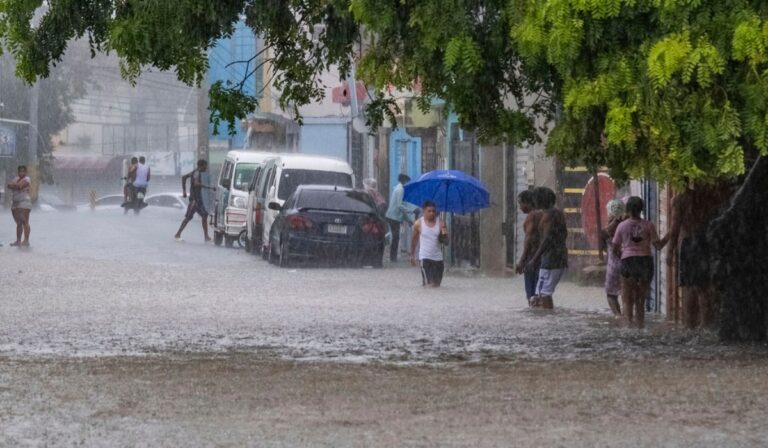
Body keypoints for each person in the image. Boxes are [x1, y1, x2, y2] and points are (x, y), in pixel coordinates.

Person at [666, 183, 732, 329]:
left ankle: (690, 325)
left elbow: (675, 228)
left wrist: (670, 251)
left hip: (690, 244)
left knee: (690, 286)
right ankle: (705, 323)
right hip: (706, 242)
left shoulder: (680, 199)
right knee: (703, 286)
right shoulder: (710, 198)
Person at [612, 196, 666, 328]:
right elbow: (658, 246)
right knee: (640, 300)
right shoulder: (648, 225)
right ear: (641, 209)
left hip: (628, 262)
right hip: (645, 262)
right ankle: (640, 327)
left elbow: (614, 248)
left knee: (627, 300)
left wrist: (623, 256)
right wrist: (671, 234)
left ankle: (629, 327)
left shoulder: (621, 226)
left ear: (628, 209)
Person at [526, 187, 568, 309]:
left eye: (535, 199)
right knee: (543, 293)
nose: (533, 201)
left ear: (540, 200)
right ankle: (549, 321)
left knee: (543, 293)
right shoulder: (557, 213)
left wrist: (534, 259)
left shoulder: (550, 216)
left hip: (551, 260)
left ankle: (548, 321)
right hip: (558, 257)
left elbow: (546, 240)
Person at [410, 200, 448, 287]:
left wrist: (443, 232)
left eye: (433, 211)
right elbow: (414, 240)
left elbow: (446, 242)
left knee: (437, 286)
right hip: (425, 258)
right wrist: (412, 255)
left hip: (438, 259)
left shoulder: (441, 223)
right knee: (429, 285)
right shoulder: (418, 224)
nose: (432, 213)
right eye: (429, 211)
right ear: (424, 211)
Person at [515, 190, 542, 304]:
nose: (520, 207)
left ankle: (534, 316)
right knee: (539, 294)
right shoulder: (542, 214)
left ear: (527, 203)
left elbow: (529, 239)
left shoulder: (532, 216)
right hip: (541, 257)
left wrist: (522, 260)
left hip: (532, 259)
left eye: (520, 203)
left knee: (531, 296)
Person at [599, 199, 626, 316]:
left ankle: (618, 316)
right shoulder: (628, 225)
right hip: (629, 263)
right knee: (627, 293)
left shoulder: (606, 231)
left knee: (611, 294)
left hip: (613, 265)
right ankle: (628, 316)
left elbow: (603, 248)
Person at [175, 159, 212, 242]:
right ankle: (178, 234)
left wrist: (184, 191)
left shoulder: (195, 172)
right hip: (194, 200)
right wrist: (207, 186)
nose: (206, 167)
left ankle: (206, 236)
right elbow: (196, 183)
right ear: (202, 165)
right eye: (205, 166)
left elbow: (184, 177)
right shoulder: (196, 173)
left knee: (205, 215)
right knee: (188, 217)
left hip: (199, 199)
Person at [385, 174, 415, 262]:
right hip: (393, 217)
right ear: (404, 181)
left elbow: (401, 208)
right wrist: (410, 211)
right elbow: (400, 205)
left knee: (395, 237)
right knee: (396, 237)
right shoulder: (400, 190)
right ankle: (393, 257)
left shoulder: (398, 188)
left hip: (393, 216)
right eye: (408, 182)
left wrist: (409, 220)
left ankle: (393, 257)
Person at [7, 165, 32, 247]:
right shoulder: (16, 179)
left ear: (26, 172)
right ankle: (18, 241)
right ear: (18, 172)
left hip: (24, 202)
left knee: (25, 221)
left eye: (23, 171)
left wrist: (15, 185)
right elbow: (9, 185)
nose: (21, 173)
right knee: (18, 222)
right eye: (20, 171)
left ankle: (26, 240)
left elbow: (20, 186)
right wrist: (15, 185)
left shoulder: (27, 179)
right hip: (15, 203)